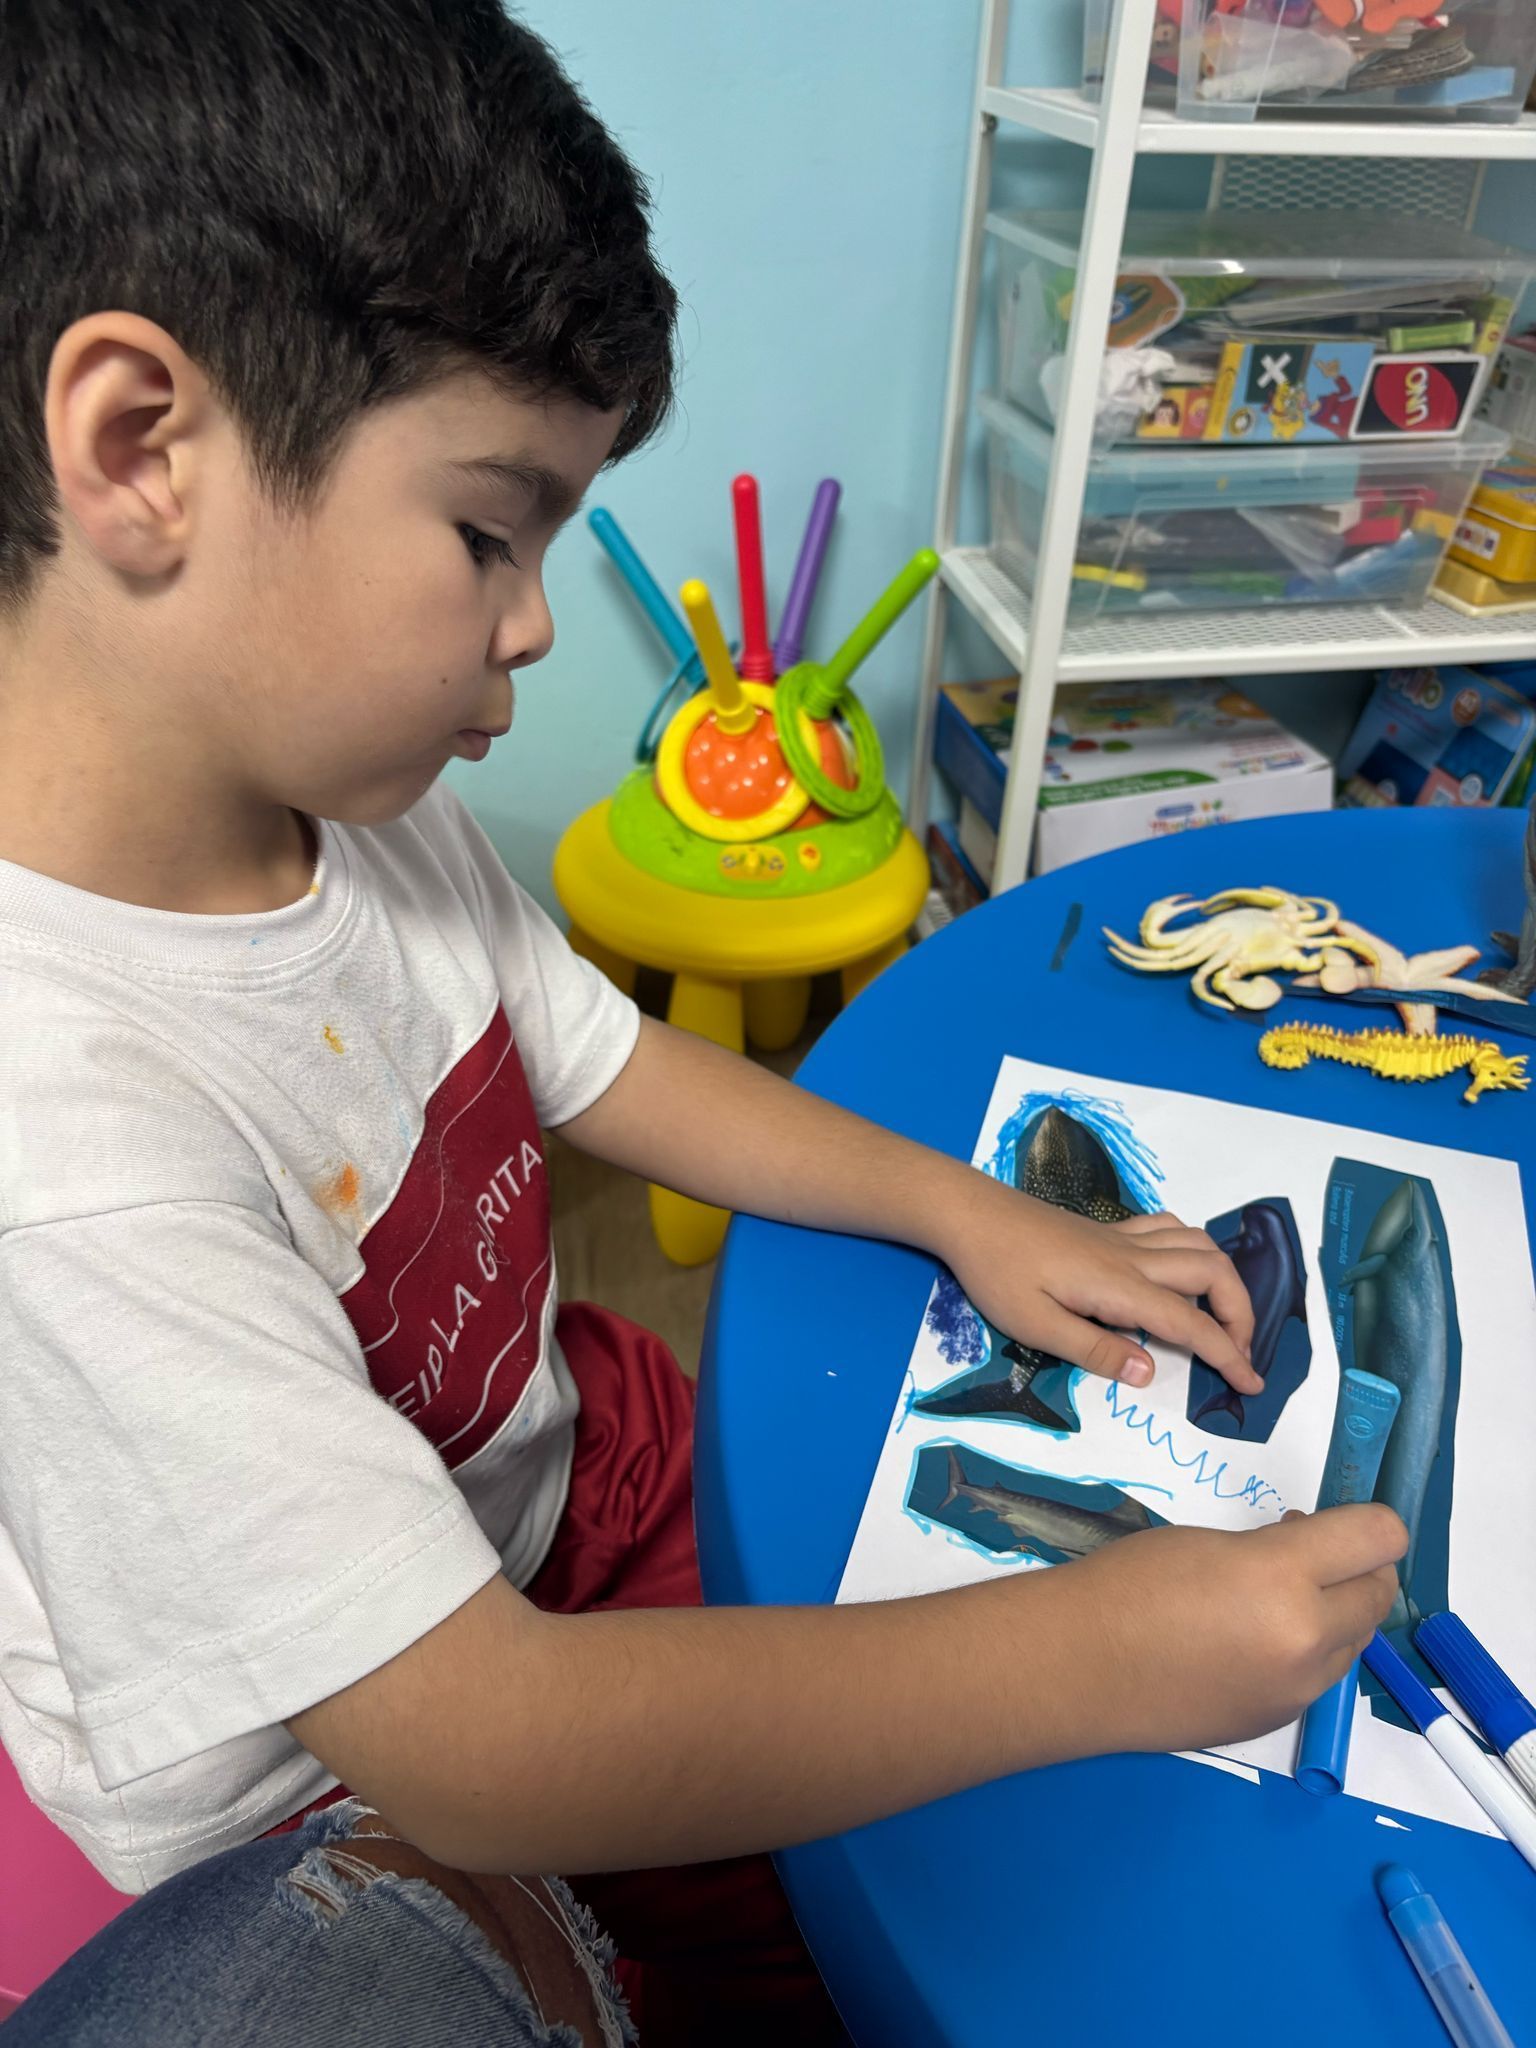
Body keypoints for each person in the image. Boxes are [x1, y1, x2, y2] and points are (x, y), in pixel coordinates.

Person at [0, 4, 1407, 2042]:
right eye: (491, 527)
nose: (536, 619)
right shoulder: (66, 1145)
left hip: (562, 1477)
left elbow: (599, 1057)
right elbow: (478, 1741)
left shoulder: (342, 814)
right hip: (354, 1796)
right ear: (143, 448)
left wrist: (970, 1212)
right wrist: (1097, 1653)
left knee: (931, 1784)